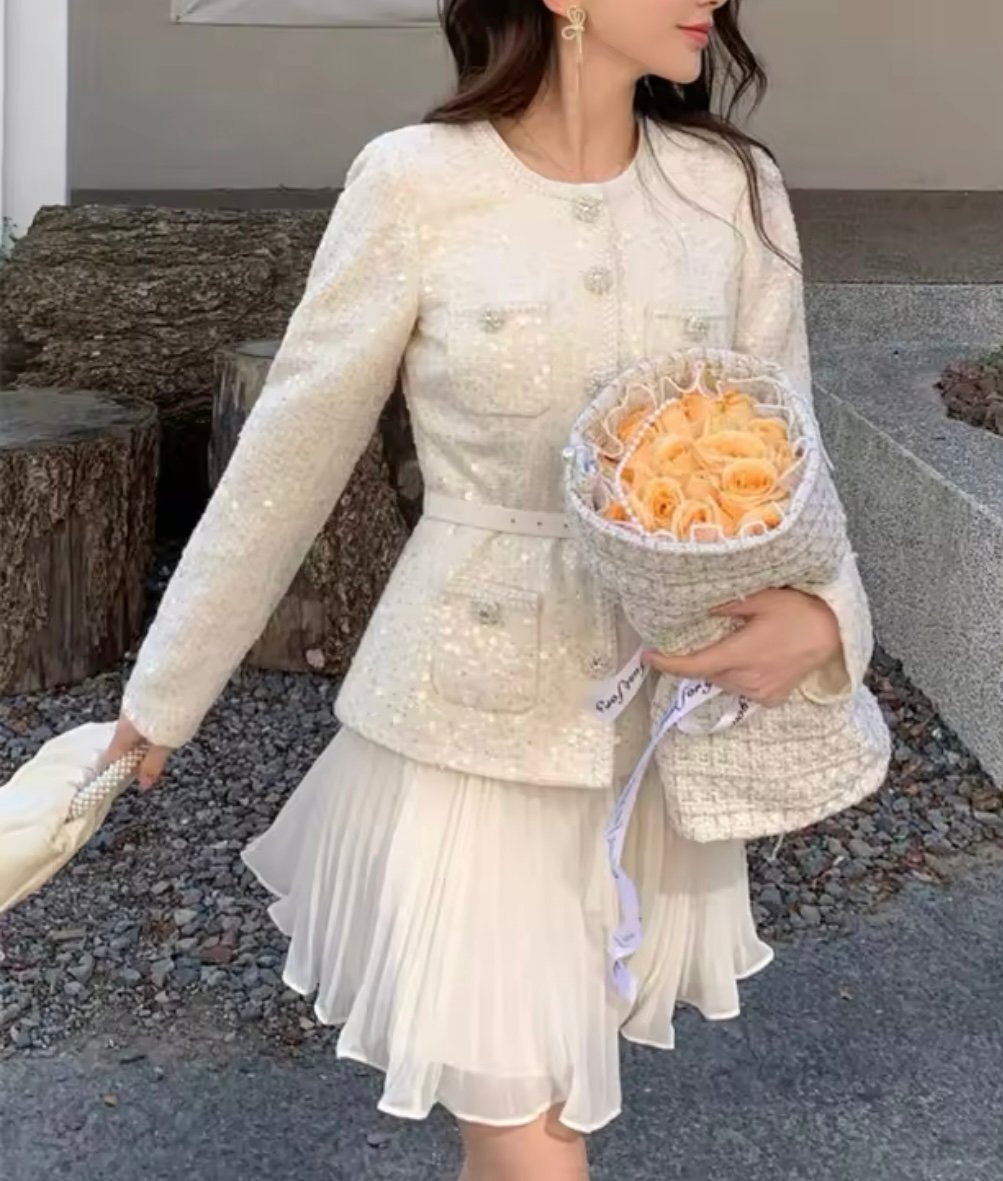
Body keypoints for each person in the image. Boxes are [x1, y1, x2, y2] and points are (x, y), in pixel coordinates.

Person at [104, 1, 880, 1177]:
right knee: (530, 1140)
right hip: (461, 733)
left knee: (540, 1122)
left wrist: (829, 620)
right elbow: (288, 457)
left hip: (648, 728)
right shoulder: (416, 182)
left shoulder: (731, 190)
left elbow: (790, 458)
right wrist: (166, 690)